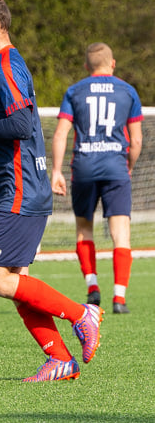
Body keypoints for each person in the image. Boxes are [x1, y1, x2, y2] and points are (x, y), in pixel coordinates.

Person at [0, 0, 103, 382]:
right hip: (15, 187)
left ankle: (83, 314)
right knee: (16, 282)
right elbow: (5, 118)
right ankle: (59, 358)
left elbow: (22, 126)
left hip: (20, 189)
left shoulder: (6, 64)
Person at [51, 43, 142, 314]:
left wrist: (56, 171)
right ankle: (119, 298)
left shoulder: (74, 91)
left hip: (84, 168)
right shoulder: (128, 91)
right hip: (116, 167)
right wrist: (129, 166)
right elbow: (136, 140)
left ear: (86, 67)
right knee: (121, 232)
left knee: (84, 228)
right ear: (112, 64)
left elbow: (60, 134)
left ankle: (92, 288)